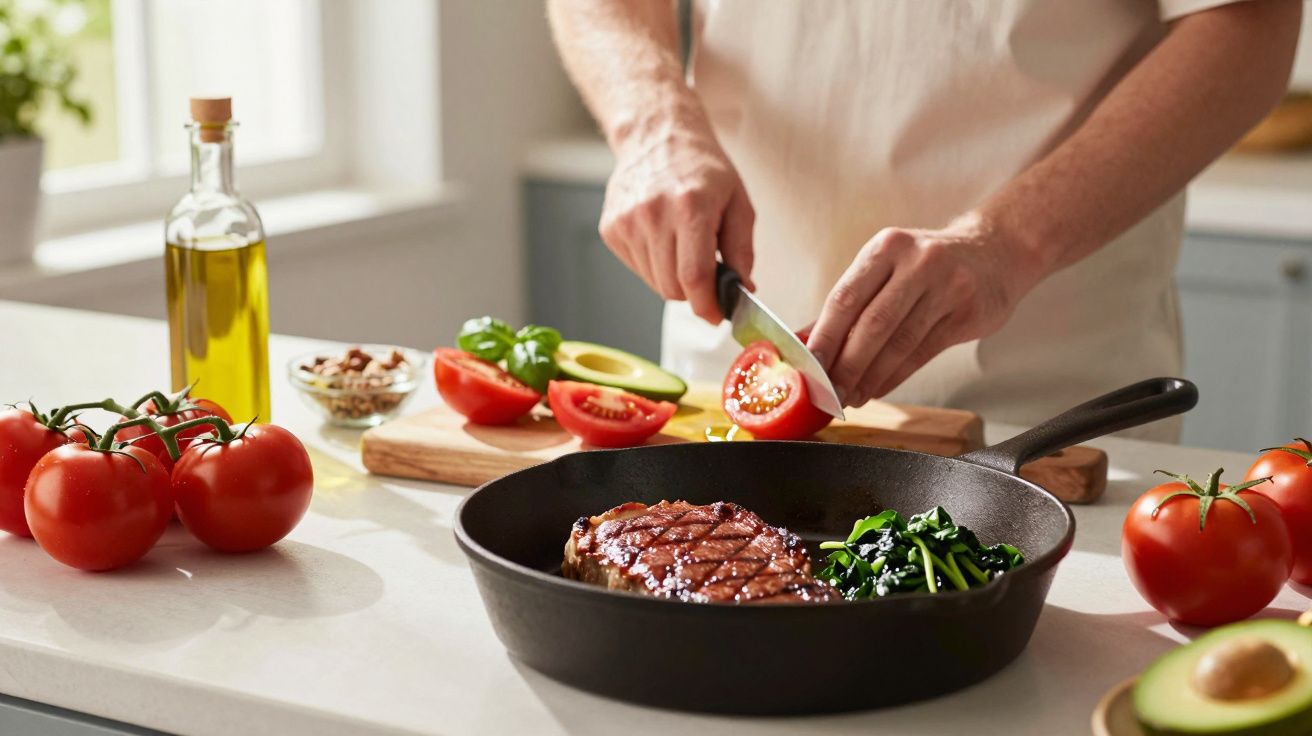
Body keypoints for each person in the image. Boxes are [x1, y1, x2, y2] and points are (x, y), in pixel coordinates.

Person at [547, 0, 1302, 440]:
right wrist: (651, 125)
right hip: (732, 381)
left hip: (1052, 411)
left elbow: (1249, 24)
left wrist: (1005, 243)